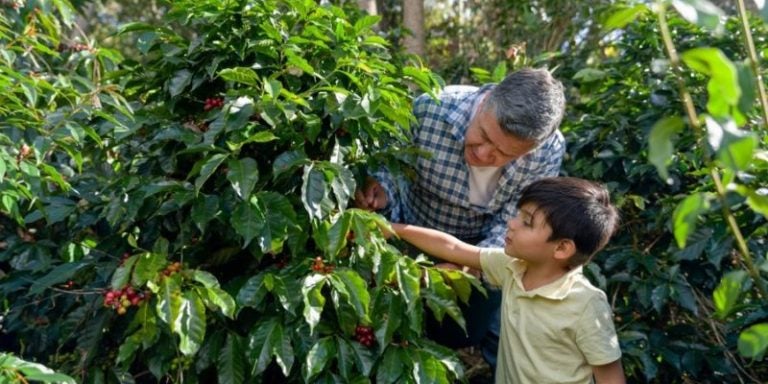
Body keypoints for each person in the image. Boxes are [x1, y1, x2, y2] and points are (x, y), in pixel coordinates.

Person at [354, 68, 567, 367]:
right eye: (483, 135)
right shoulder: (432, 108)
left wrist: (469, 265)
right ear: (485, 101)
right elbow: (393, 167)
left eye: (502, 153)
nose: (482, 153)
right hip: (410, 228)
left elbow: (516, 218)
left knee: (463, 331)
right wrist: (382, 192)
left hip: (477, 244)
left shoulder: (547, 151)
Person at [388, 177, 625, 384]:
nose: (511, 223)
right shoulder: (512, 267)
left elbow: (610, 377)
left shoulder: (585, 304)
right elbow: (452, 247)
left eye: (527, 222)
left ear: (562, 248)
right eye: (518, 214)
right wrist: (391, 228)